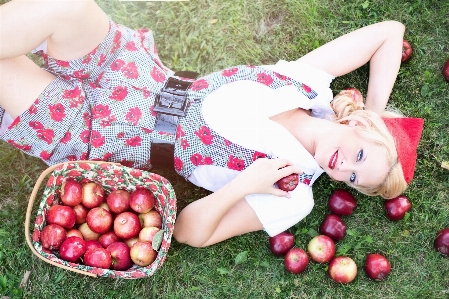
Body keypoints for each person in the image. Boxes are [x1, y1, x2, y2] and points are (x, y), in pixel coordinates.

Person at [0, 0, 423, 248]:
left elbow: (187, 233)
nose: (342, 166)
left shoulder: (293, 194)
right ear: (361, 126)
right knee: (66, 6)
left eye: (350, 177)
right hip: (132, 70)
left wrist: (245, 184)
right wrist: (378, 110)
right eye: (360, 155)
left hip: (101, 131)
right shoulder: (306, 84)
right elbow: (389, 32)